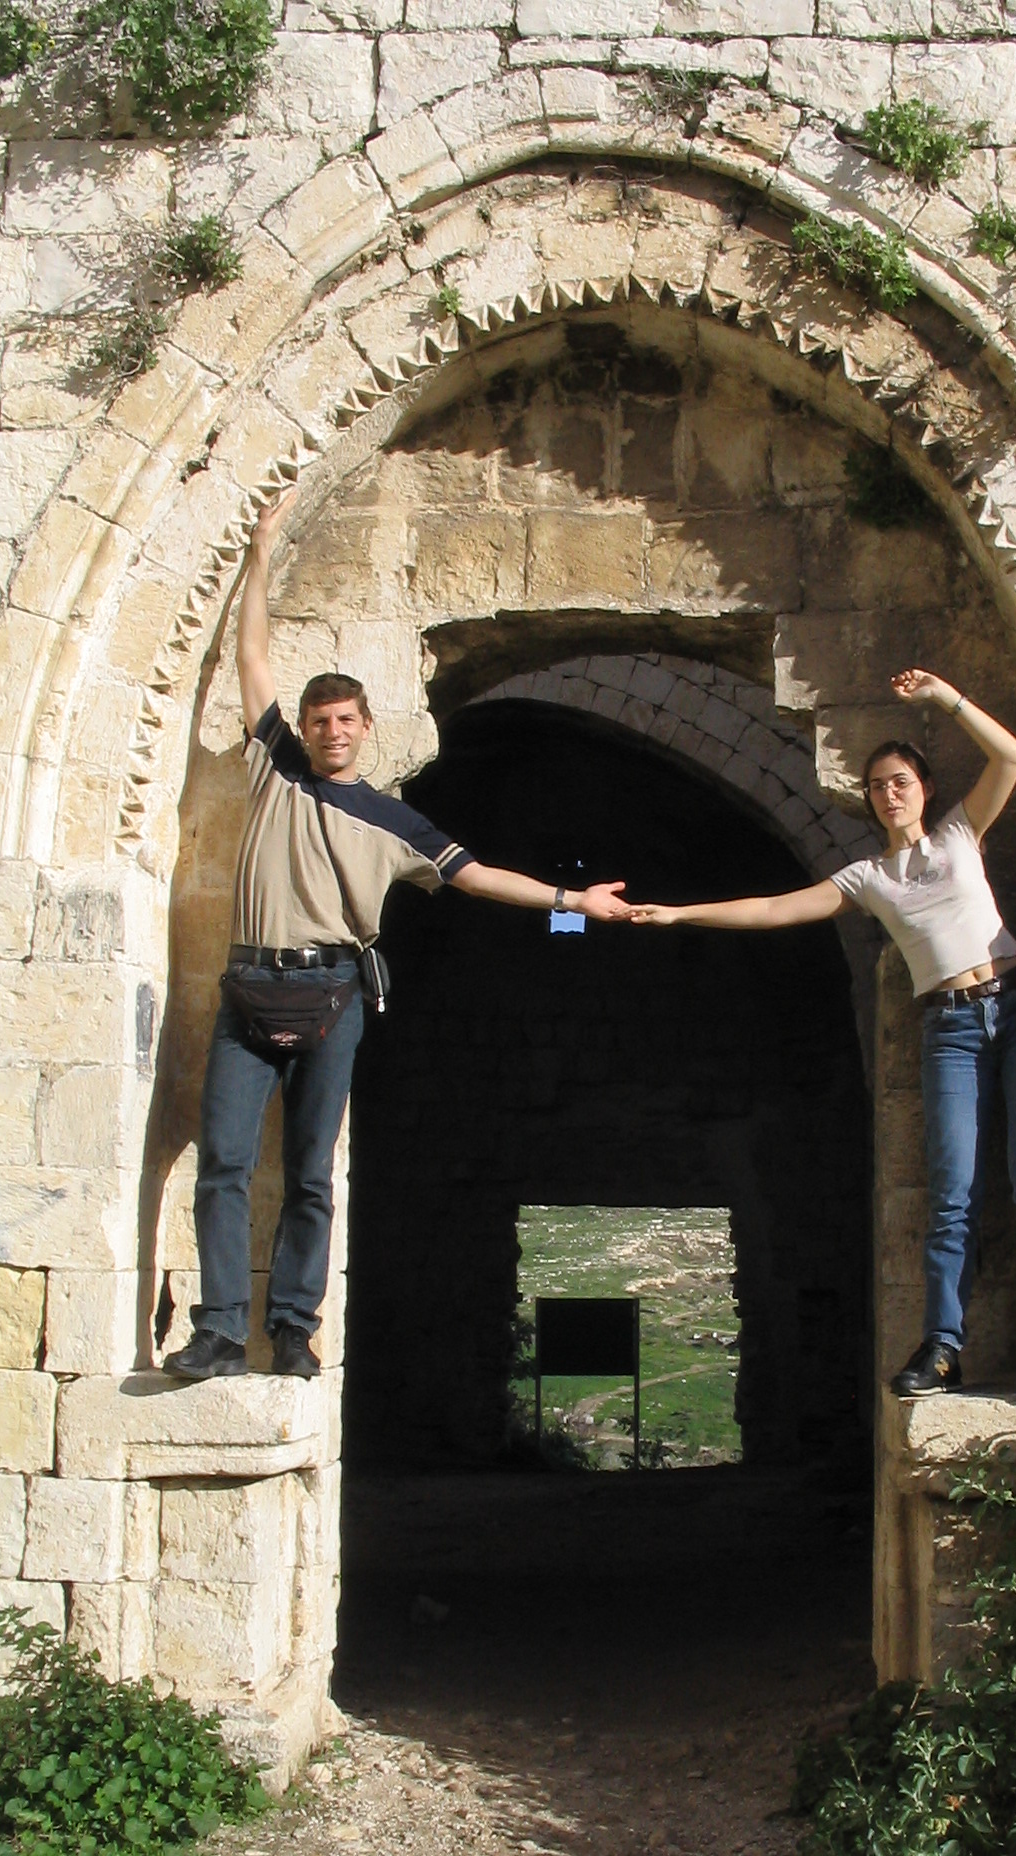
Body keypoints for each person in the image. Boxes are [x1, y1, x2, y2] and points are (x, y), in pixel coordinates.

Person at [164, 491, 633, 1384]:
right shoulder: (276, 769)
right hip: (249, 989)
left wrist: (575, 902)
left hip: (333, 994)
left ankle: (292, 1331)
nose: (331, 733)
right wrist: (260, 553)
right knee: (222, 1163)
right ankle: (219, 1332)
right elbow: (251, 657)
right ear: (304, 730)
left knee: (311, 1173)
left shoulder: (396, 822)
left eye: (345, 721)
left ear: (367, 729)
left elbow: (480, 878)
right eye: (319, 721)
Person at [628, 668, 1016, 1398]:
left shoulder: (960, 835)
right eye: (877, 787)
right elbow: (775, 909)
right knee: (952, 1195)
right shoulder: (870, 876)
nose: (889, 794)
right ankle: (942, 1347)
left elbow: (1010, 756)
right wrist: (681, 913)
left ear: (924, 788)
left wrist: (946, 697)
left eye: (901, 782)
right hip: (951, 1028)